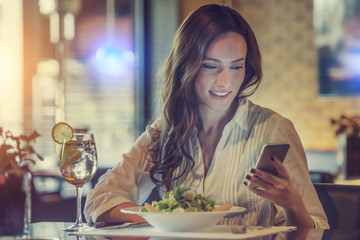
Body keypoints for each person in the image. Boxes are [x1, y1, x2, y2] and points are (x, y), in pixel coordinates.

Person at [84, 4, 329, 229]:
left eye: (236, 66)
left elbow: (315, 226)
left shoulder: (273, 129)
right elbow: (99, 199)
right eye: (211, 66)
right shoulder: (165, 132)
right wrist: (163, 217)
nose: (225, 82)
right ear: (185, 66)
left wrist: (292, 203)